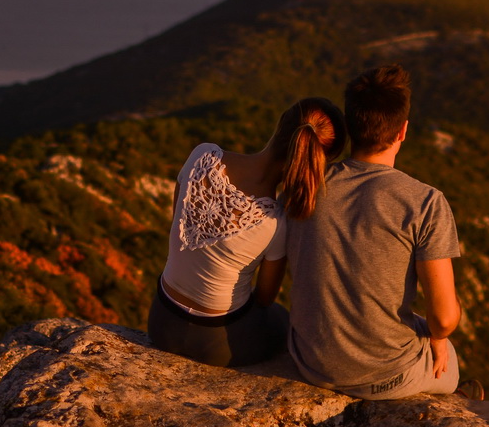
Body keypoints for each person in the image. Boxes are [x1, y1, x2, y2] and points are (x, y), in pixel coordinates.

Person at [287, 64, 479, 399]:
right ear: (403, 131)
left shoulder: (306, 184)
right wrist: (438, 336)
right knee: (448, 358)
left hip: (309, 363)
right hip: (382, 376)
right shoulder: (425, 202)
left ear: (348, 126)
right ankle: (454, 397)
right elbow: (445, 318)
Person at [147, 97, 346, 367]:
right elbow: (264, 298)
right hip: (218, 345)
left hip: (160, 322)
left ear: (280, 125)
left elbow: (177, 227)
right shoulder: (275, 222)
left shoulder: (202, 157)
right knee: (280, 317)